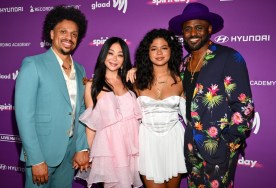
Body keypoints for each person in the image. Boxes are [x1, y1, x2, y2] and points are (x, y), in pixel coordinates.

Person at [168, 2, 255, 187]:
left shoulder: (228, 57)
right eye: (187, 29)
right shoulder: (184, 64)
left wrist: (227, 142)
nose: (192, 33)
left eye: (198, 27)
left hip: (220, 146)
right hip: (191, 146)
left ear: (209, 29)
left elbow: (244, 106)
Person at [15, 5, 89, 187]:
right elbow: (25, 116)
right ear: (51, 34)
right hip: (42, 155)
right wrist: (36, 159)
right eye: (63, 31)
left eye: (74, 34)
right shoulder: (33, 64)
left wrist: (82, 147)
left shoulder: (80, 70)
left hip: (69, 155)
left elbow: (81, 111)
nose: (69, 38)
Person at [75, 37, 143, 188]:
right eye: (111, 53)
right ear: (103, 54)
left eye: (120, 55)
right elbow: (91, 125)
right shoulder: (92, 86)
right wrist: (88, 152)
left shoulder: (130, 81)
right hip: (110, 150)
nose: (114, 59)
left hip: (132, 147)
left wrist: (137, 69)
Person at [134, 28, 187, 187]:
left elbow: (192, 116)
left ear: (172, 51)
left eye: (164, 48)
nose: (159, 53)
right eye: (154, 49)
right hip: (146, 143)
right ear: (147, 52)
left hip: (174, 141)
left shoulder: (182, 78)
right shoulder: (135, 79)